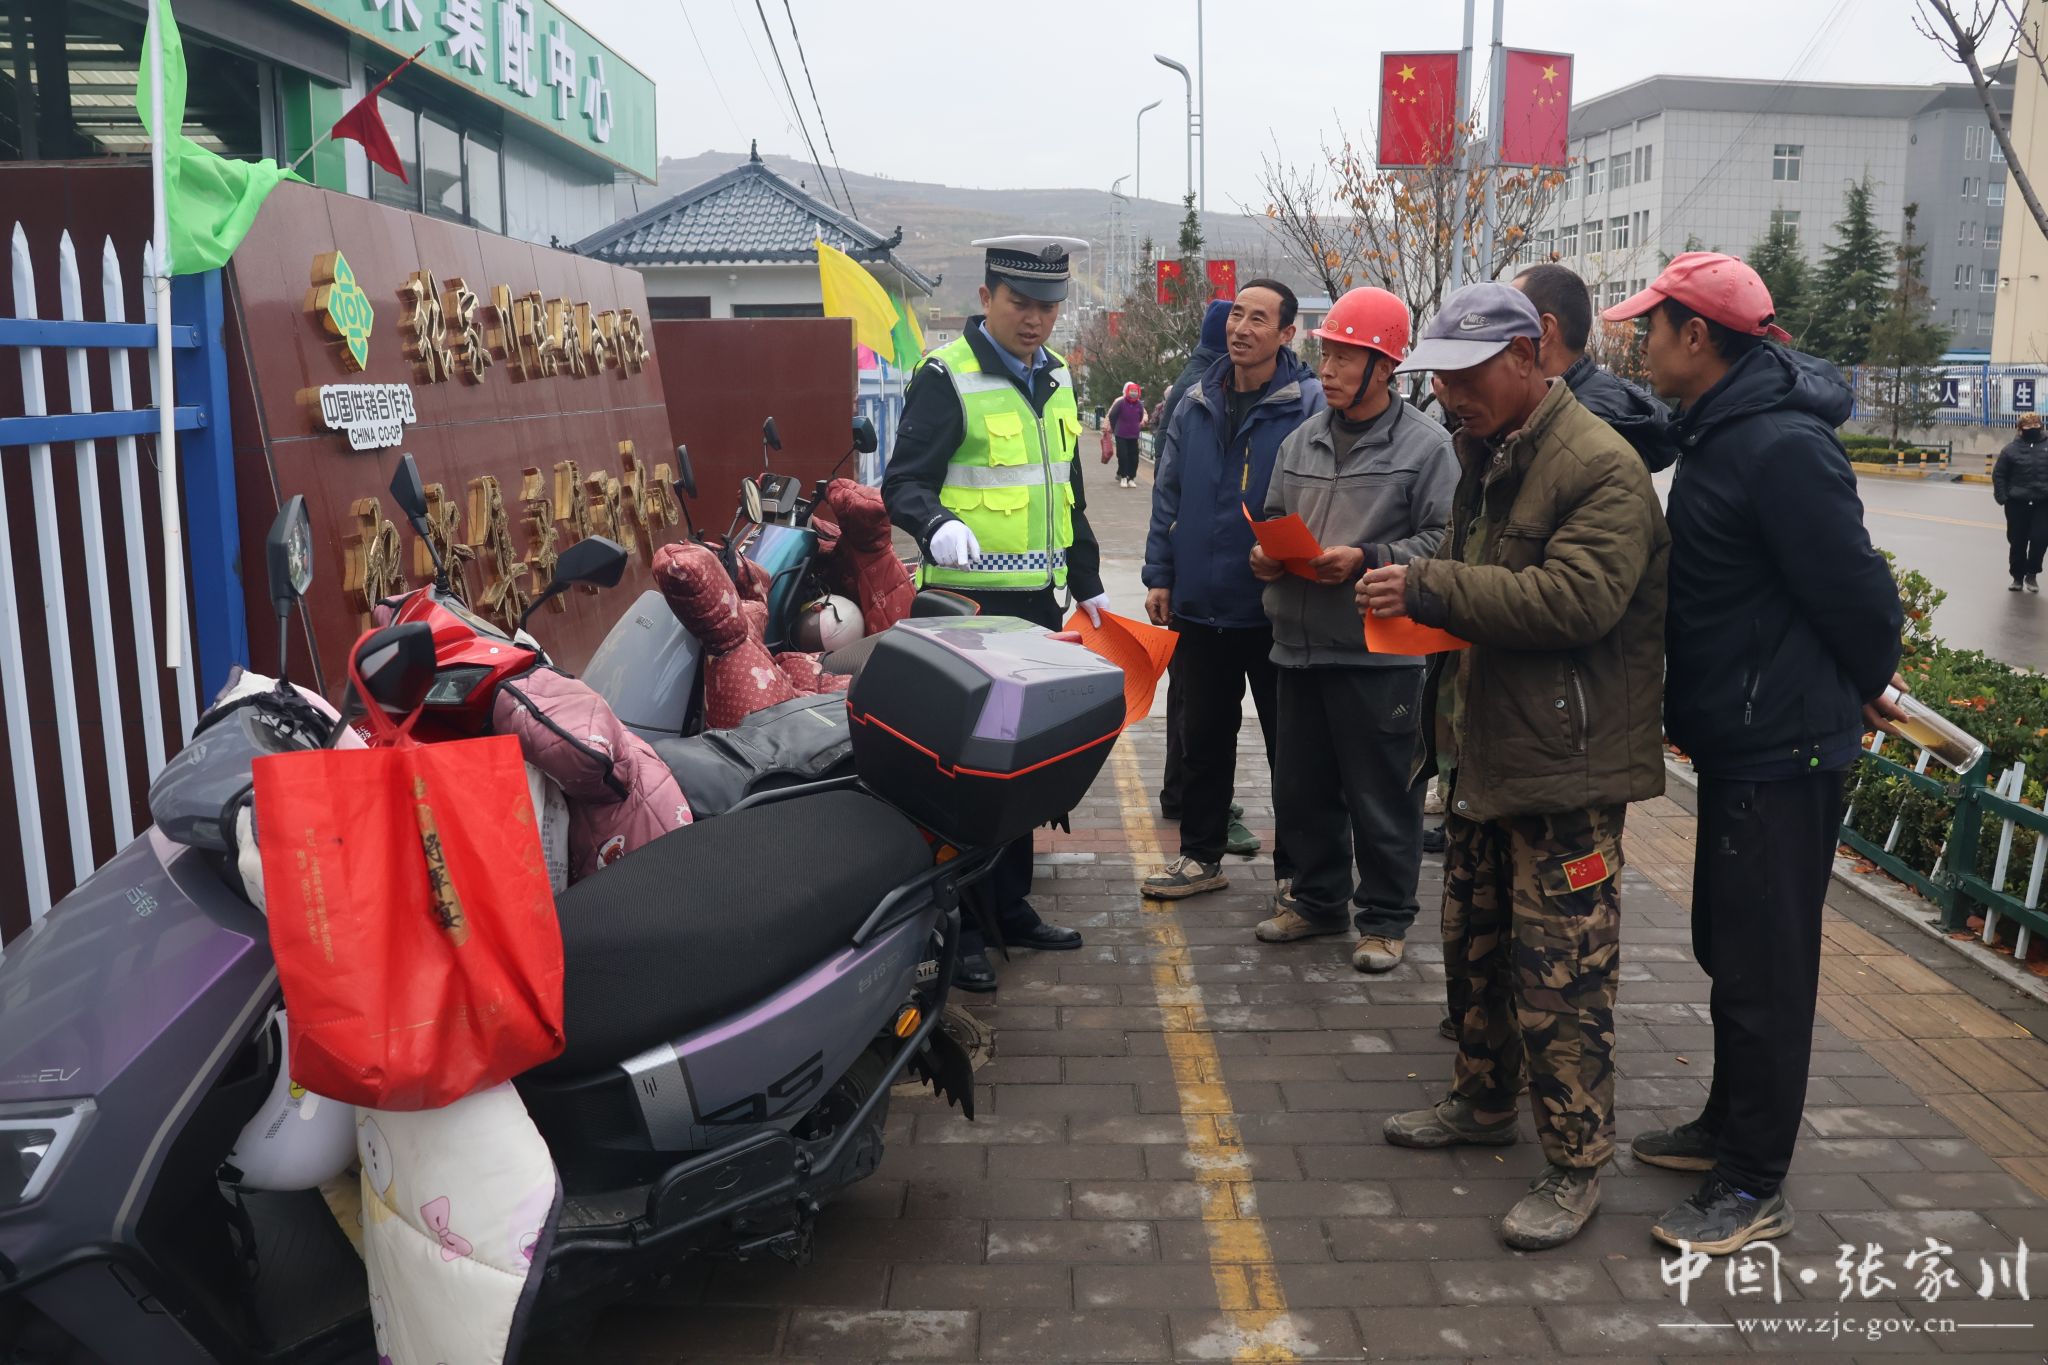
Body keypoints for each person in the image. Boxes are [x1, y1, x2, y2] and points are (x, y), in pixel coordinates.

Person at [1598, 253, 1905, 1256]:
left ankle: (1751, 1182)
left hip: (1785, 748)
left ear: (1698, 337)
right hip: (1744, 741)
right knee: (1727, 949)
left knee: (1765, 969)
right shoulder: (1720, 427)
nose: (1641, 346)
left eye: (1651, 329)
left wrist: (1860, 678)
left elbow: (1858, 594)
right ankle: (1727, 1122)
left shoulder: (1779, 446)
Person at [1360, 282, 1670, 1250]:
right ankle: (1482, 1098)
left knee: (1560, 976)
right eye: (1438, 379)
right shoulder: (1485, 454)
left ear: (1529, 356)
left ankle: (1576, 1163)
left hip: (1566, 770)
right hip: (1486, 755)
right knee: (1475, 944)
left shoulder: (1599, 467)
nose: (1448, 396)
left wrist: (1428, 585)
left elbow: (1574, 601)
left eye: (1466, 376)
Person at [883, 233, 1107, 993]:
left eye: (1049, 306)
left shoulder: (1058, 376)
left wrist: (1088, 578)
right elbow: (902, 482)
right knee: (968, 771)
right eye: (1021, 303)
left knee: (1026, 766)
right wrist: (934, 521)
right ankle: (964, 929)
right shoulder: (947, 376)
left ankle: (1010, 905)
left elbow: (1067, 488)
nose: (1036, 319)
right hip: (967, 610)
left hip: (1038, 610)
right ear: (986, 298)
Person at [1248, 287, 1456, 972]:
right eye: (1327, 354)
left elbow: (1446, 542)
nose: (1328, 369)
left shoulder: (1427, 447)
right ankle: (1316, 901)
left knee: (1382, 795)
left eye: (1345, 357)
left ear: (1385, 367)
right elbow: (1272, 514)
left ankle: (1386, 918)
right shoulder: (1300, 440)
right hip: (1298, 648)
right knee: (1302, 790)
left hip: (1378, 655)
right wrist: (1265, 555)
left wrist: (1367, 558)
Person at [1140, 280, 1325, 898]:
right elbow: (1168, 492)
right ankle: (1200, 858)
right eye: (1236, 314)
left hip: (1277, 609)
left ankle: (1297, 874)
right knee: (1203, 743)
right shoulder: (1195, 399)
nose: (1241, 328)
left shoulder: (1308, 405)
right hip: (1200, 604)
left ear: (1287, 333)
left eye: (1259, 319)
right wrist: (1160, 573)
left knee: (1290, 750)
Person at [1513, 264, 1679, 473]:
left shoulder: (1581, 433)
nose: (1495, 336)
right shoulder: (1575, 406)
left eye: (1507, 320)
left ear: (1544, 330)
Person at [1995, 411, 2048, 592]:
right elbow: (1999, 475)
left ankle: (2032, 574)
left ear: (2041, 426)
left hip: (2043, 503)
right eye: (2028, 426)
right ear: (2020, 429)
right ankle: (2017, 577)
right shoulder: (2010, 450)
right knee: (2017, 541)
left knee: (2040, 539)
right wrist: (2003, 497)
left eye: (2036, 425)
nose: (2033, 428)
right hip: (2017, 504)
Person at [1106, 382, 1147, 488]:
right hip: (1121, 434)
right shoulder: (1121, 403)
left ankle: (1131, 478)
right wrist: (1115, 427)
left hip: (1133, 435)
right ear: (1127, 391)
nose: (1133, 393)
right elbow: (1112, 415)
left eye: (1135, 391)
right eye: (1132, 391)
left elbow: (1141, 416)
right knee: (1123, 456)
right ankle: (1123, 477)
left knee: (1134, 457)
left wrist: (1136, 425)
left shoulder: (1139, 405)